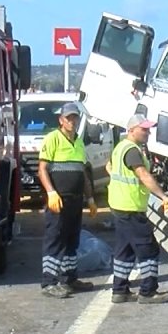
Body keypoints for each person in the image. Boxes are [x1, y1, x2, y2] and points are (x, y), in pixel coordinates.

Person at [108, 113, 168, 304]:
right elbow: (144, 176)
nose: (148, 133)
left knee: (125, 250)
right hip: (130, 207)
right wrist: (164, 196)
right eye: (144, 129)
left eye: (148, 129)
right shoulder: (132, 150)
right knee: (148, 248)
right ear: (132, 130)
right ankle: (148, 292)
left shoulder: (121, 148)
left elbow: (110, 167)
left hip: (120, 204)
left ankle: (120, 289)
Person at [39, 102, 98, 298]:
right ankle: (49, 282)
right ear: (61, 120)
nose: (72, 121)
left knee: (72, 239)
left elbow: (83, 173)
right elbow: (42, 170)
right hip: (59, 199)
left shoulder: (79, 142)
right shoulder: (53, 139)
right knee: (55, 239)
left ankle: (69, 278)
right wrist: (51, 192)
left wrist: (89, 198)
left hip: (75, 200)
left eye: (75, 118)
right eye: (69, 118)